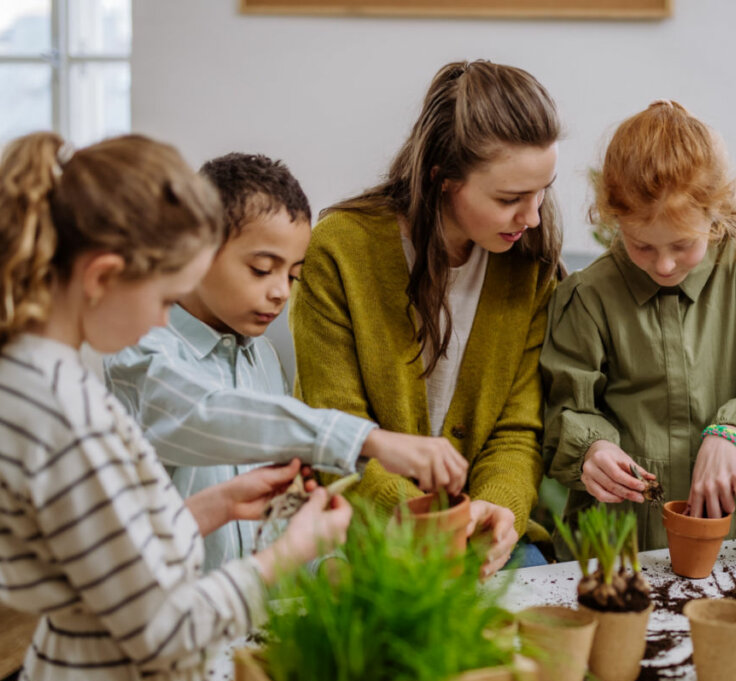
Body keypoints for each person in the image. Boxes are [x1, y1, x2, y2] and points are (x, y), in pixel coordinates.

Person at [0, 132, 350, 681]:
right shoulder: (62, 410)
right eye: (162, 299)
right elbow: (163, 630)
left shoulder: (38, 380)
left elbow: (114, 559)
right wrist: (284, 558)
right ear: (103, 276)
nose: (163, 323)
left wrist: (216, 506)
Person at [105, 152, 467, 570]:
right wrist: (370, 440)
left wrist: (328, 564)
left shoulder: (263, 358)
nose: (281, 292)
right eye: (262, 270)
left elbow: (284, 497)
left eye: (293, 275)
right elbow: (204, 414)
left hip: (253, 607)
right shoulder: (139, 350)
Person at [289, 60, 562, 576]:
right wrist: (426, 522)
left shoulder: (530, 265)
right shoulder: (341, 251)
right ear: (443, 180)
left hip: (476, 539)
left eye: (543, 190)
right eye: (510, 198)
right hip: (361, 525)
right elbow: (334, 430)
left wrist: (499, 509)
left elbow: (519, 430)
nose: (532, 218)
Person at [541, 101, 736, 552]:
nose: (665, 264)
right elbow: (564, 410)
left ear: (715, 214)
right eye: (641, 246)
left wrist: (734, 431)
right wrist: (592, 449)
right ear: (612, 220)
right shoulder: (588, 296)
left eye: (683, 244)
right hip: (623, 540)